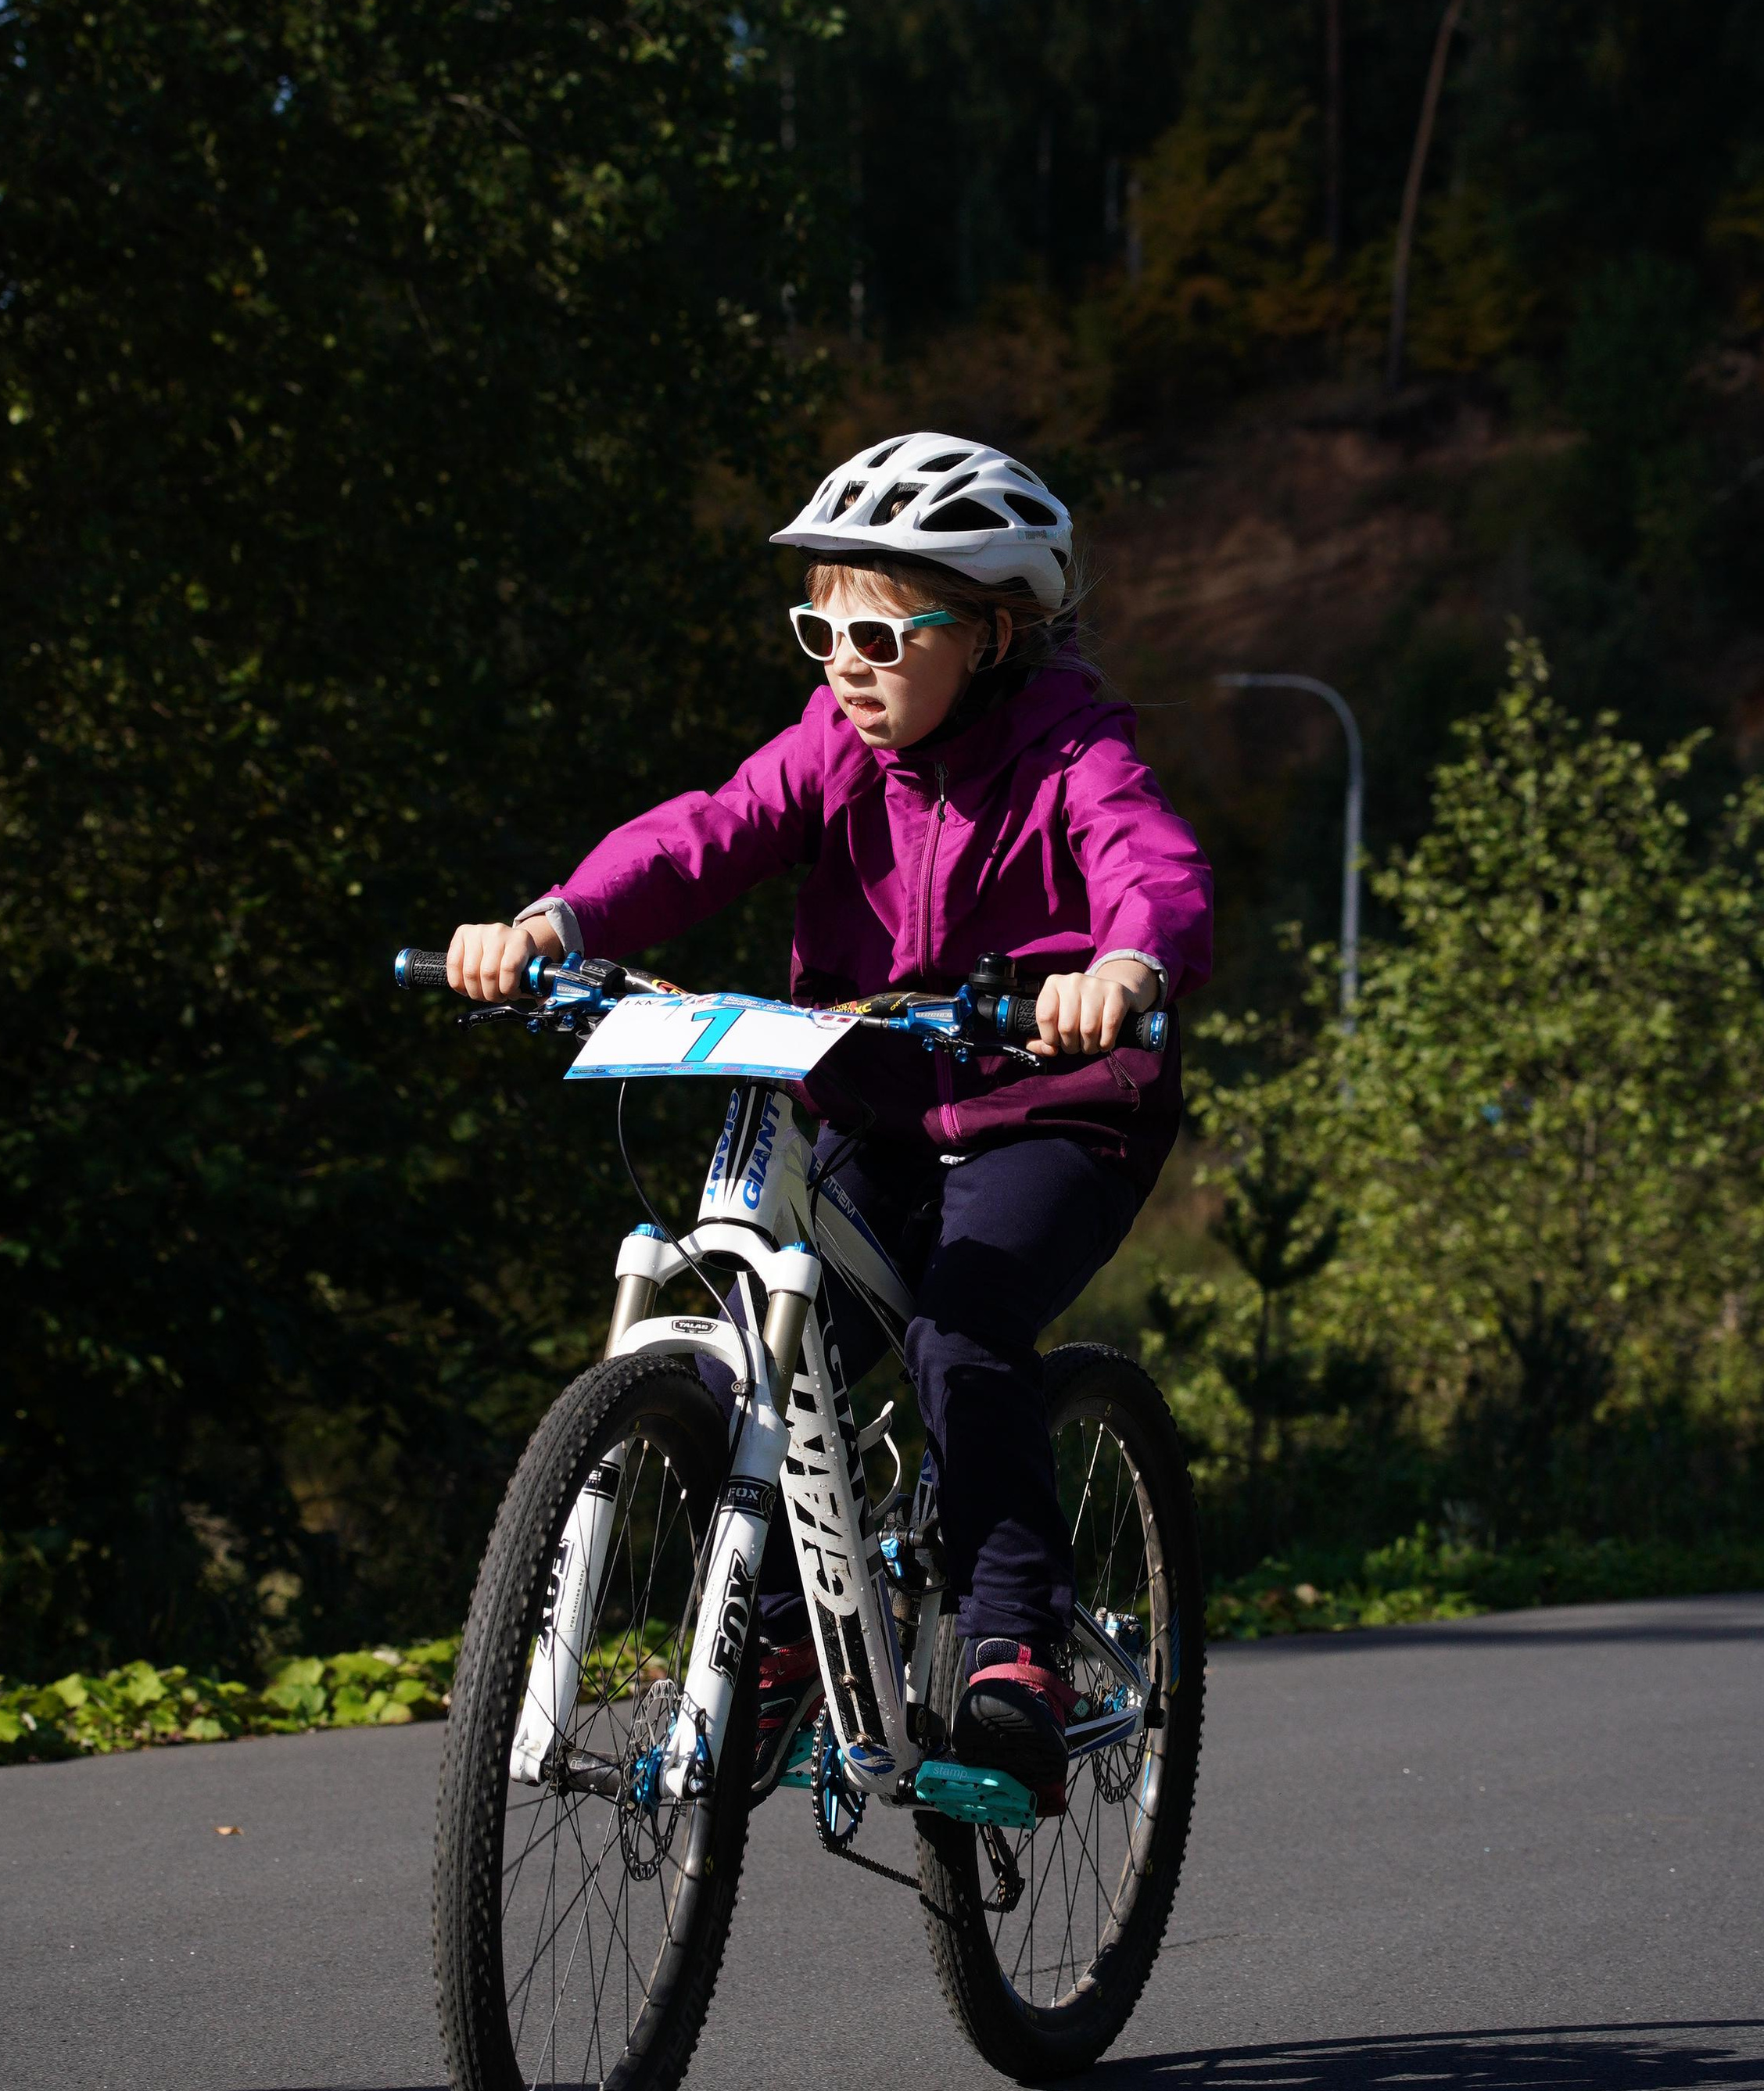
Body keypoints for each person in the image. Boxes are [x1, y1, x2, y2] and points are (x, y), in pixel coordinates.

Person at [445, 430, 1212, 1813]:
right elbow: (703, 831)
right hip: (873, 1099)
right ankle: (793, 1638)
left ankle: (1012, 1657)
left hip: (1051, 1109)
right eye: (821, 628)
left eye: (878, 630)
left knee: (960, 1334)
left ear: (987, 633)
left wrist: (1124, 967)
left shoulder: (1071, 749)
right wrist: (553, 922)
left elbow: (1146, 861)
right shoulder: (828, 751)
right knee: (752, 1351)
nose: (844, 662)